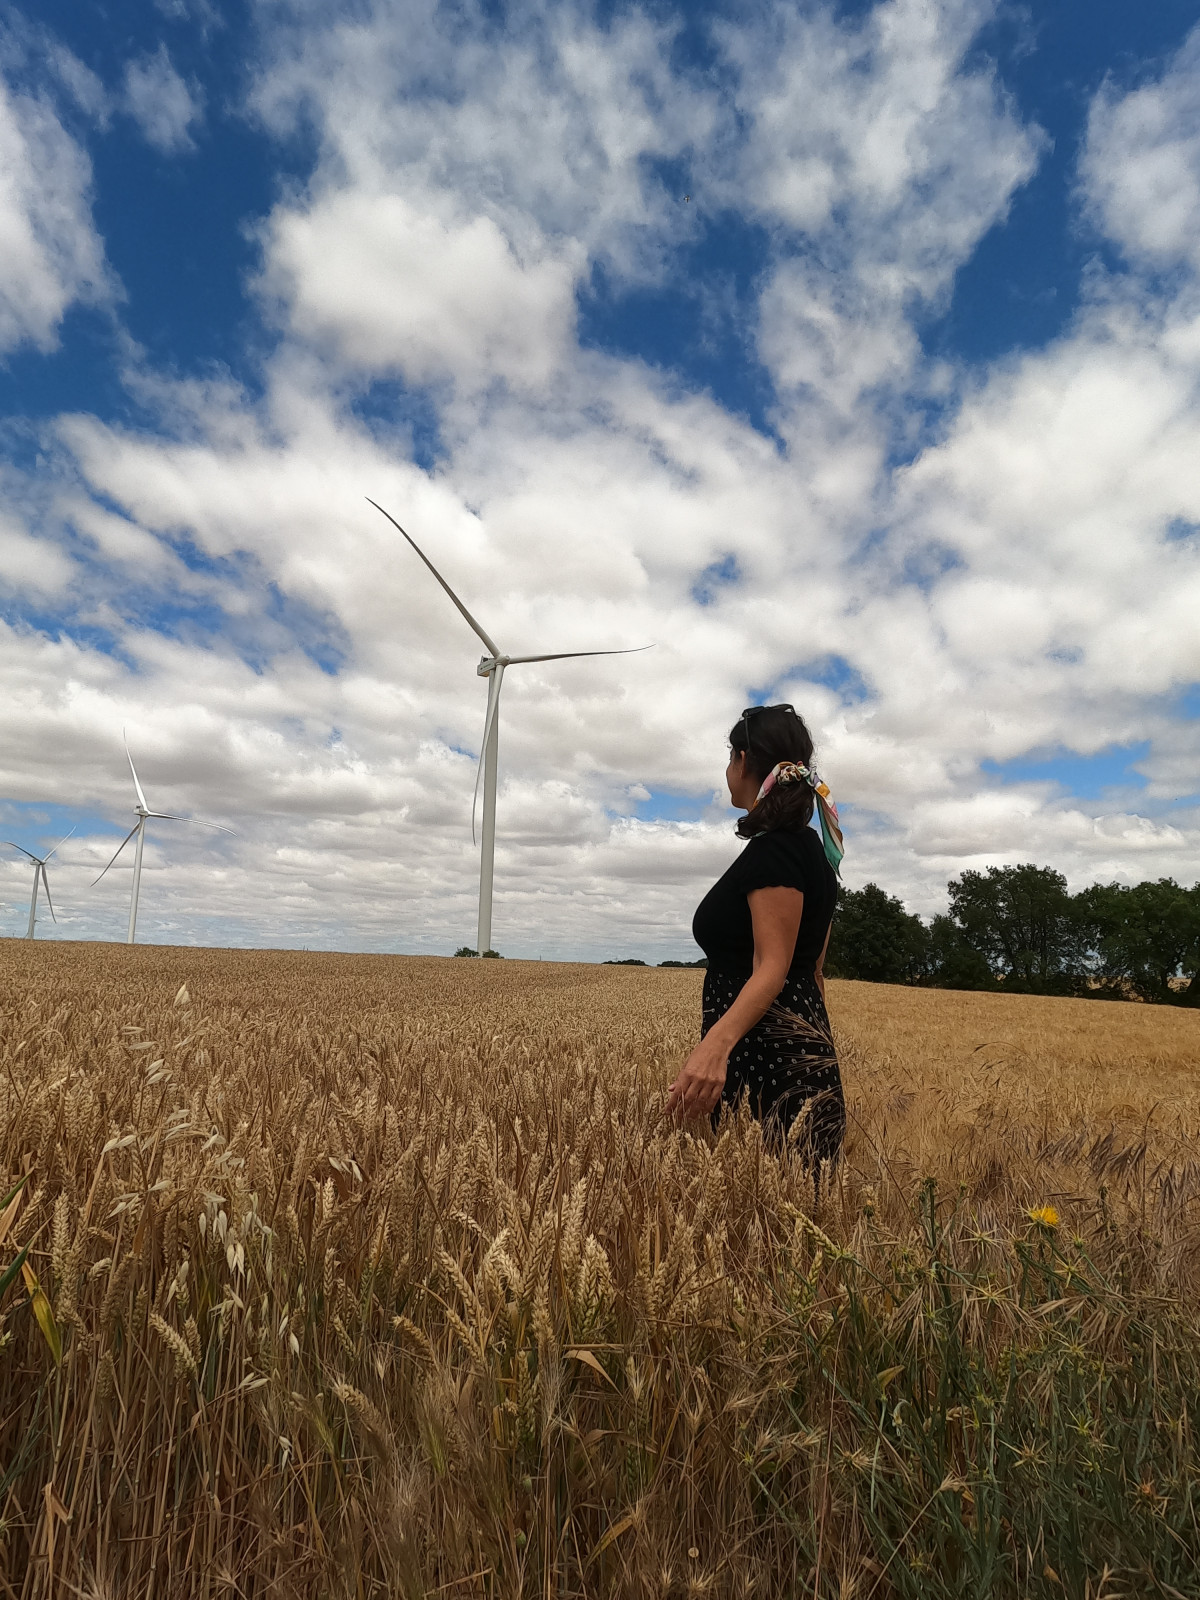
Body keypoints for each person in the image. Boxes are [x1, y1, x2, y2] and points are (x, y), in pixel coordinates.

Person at [666, 704, 845, 1171]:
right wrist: (814, 1050)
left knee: (757, 1212)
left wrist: (713, 1048)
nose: (728, 769)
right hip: (798, 1047)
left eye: (730, 757)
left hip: (762, 1059)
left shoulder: (775, 852)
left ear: (743, 761)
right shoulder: (820, 854)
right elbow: (816, 972)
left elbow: (774, 965)